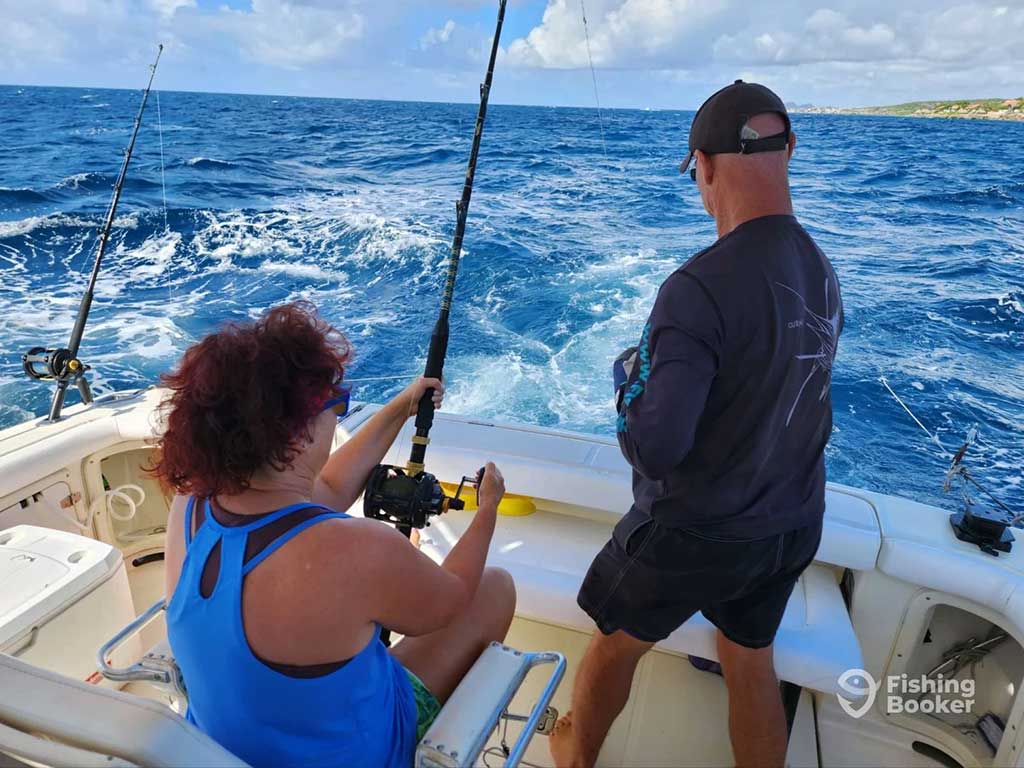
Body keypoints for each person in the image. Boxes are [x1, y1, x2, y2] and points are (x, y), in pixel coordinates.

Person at [550, 81, 844, 768]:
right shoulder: (822, 270)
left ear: (705, 166)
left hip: (696, 535)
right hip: (792, 525)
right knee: (749, 661)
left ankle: (572, 754)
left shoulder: (697, 287)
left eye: (697, 177)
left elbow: (656, 447)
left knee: (616, 637)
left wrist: (629, 384)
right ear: (789, 150)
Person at [155, 301, 515, 768]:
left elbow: (323, 490)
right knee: (495, 587)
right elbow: (453, 598)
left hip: (220, 751)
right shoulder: (356, 550)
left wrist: (400, 409)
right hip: (360, 755)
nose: (337, 417)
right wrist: (488, 509)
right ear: (296, 438)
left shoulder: (191, 505)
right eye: (336, 405)